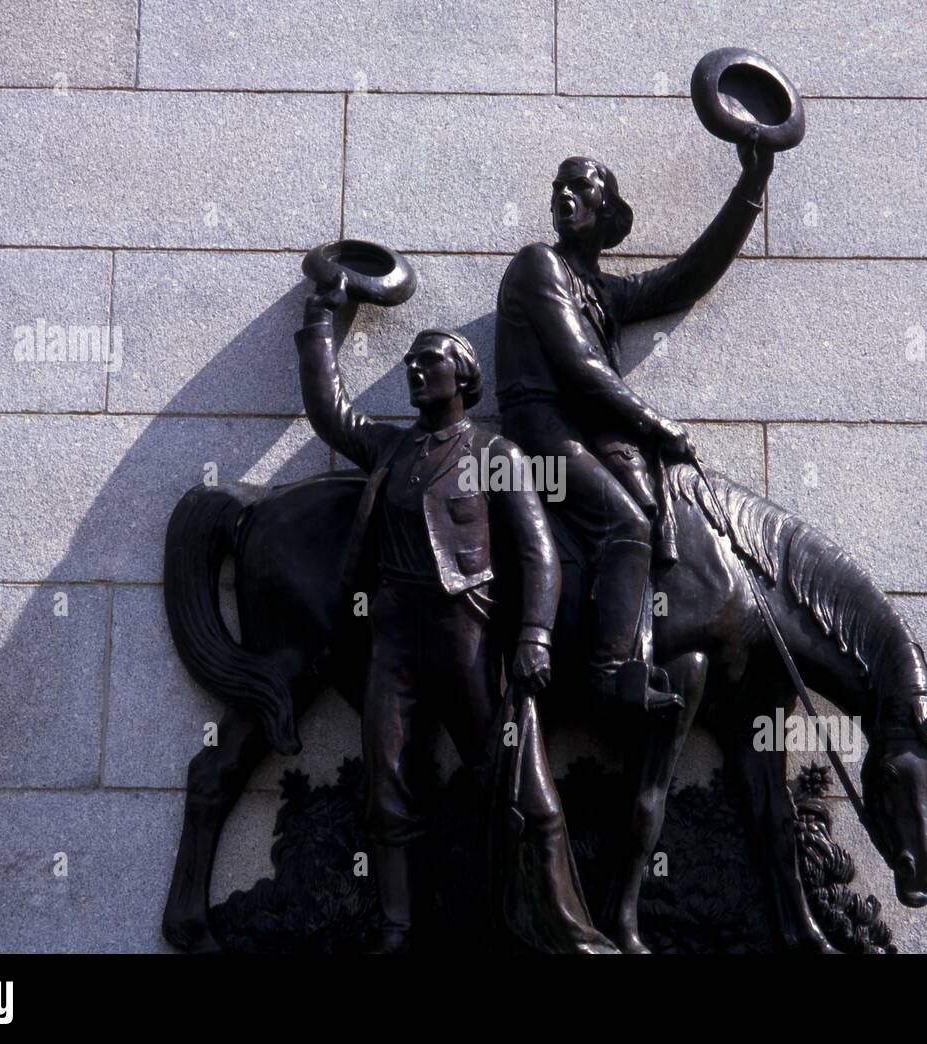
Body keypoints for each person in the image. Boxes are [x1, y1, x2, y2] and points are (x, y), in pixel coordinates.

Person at [297, 272, 613, 954]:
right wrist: (320, 322)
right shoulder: (390, 448)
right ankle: (396, 928)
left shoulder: (495, 455)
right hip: (394, 642)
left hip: (468, 637)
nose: (414, 369)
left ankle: (533, 920)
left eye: (428, 359)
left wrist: (534, 634)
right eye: (410, 362)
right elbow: (330, 412)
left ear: (464, 375)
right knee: (387, 778)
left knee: (507, 775)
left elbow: (539, 555)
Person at [494, 133, 773, 711]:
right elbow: (580, 368)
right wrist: (655, 424)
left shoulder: (601, 291)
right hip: (541, 431)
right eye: (559, 189)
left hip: (582, 434)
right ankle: (608, 670)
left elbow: (685, 278)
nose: (564, 197)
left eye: (581, 188)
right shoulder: (537, 264)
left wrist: (750, 187)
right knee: (625, 523)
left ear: (606, 213)